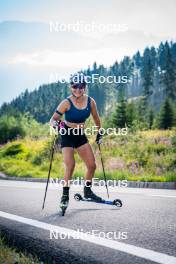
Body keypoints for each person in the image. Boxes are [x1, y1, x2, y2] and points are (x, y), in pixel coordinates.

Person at [50, 72, 103, 208]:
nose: (78, 89)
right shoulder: (66, 102)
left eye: (81, 86)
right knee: (70, 165)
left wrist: (99, 132)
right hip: (67, 134)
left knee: (92, 166)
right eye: (75, 86)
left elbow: (96, 119)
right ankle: (65, 196)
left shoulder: (90, 102)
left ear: (85, 87)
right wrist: (57, 125)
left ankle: (87, 191)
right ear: (71, 87)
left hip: (80, 135)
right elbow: (53, 119)